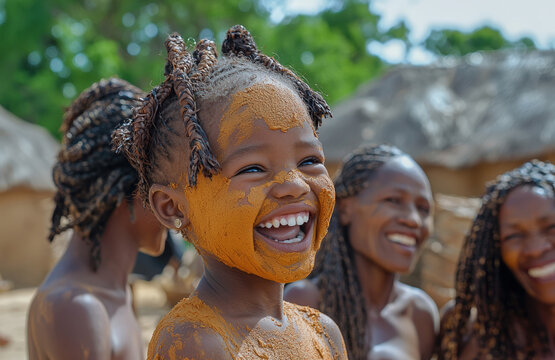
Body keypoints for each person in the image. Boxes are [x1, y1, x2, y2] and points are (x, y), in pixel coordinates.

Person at [113, 25, 347, 359]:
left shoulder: (324, 333)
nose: (295, 184)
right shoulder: (195, 341)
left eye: (310, 160)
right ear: (172, 208)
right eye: (252, 168)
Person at [27, 78, 167, 360]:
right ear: (122, 190)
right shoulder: (78, 307)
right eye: (164, 189)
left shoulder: (112, 294)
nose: (175, 208)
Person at [285, 144, 439, 360]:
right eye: (393, 201)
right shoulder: (304, 302)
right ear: (345, 209)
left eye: (423, 208)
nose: (413, 219)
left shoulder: (419, 313)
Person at [438, 160, 555, 359]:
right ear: (495, 251)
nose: (535, 249)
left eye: (552, 227)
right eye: (513, 236)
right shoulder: (476, 335)